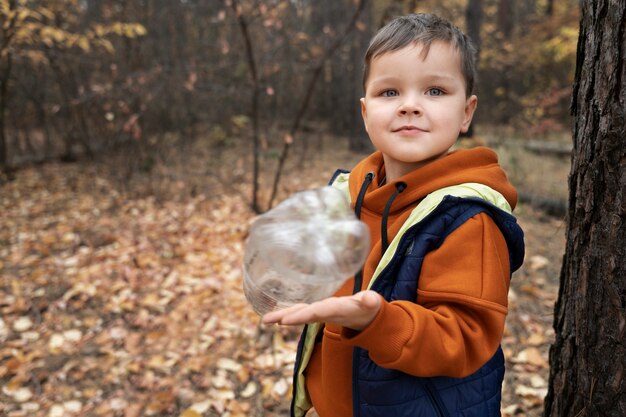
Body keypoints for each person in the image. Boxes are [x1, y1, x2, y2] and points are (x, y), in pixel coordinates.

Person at [263, 13, 525, 417]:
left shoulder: (468, 219)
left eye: (435, 90)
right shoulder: (350, 197)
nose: (409, 106)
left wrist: (379, 322)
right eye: (389, 93)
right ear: (366, 113)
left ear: (467, 112)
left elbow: (465, 338)